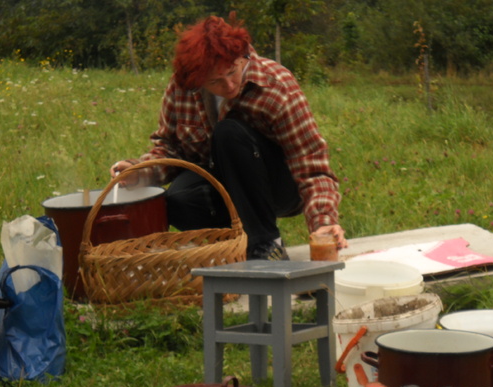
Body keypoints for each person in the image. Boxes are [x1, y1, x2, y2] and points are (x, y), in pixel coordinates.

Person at [110, 14, 348, 260]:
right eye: (215, 81)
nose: (229, 85)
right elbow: (170, 149)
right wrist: (139, 171)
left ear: (242, 57)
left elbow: (311, 165)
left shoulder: (276, 86)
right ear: (198, 80)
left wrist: (323, 222)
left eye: (233, 71)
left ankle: (266, 245)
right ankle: (235, 246)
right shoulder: (182, 88)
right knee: (178, 199)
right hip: (226, 184)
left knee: (228, 133)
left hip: (280, 186)